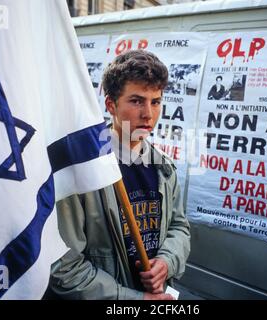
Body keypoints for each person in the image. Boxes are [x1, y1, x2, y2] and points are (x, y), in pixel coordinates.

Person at [49, 50, 191, 300]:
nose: (148, 114)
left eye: (155, 101)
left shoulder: (164, 169)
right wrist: (134, 300)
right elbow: (65, 268)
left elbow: (179, 227)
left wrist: (167, 262)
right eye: (137, 101)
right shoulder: (82, 172)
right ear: (111, 104)